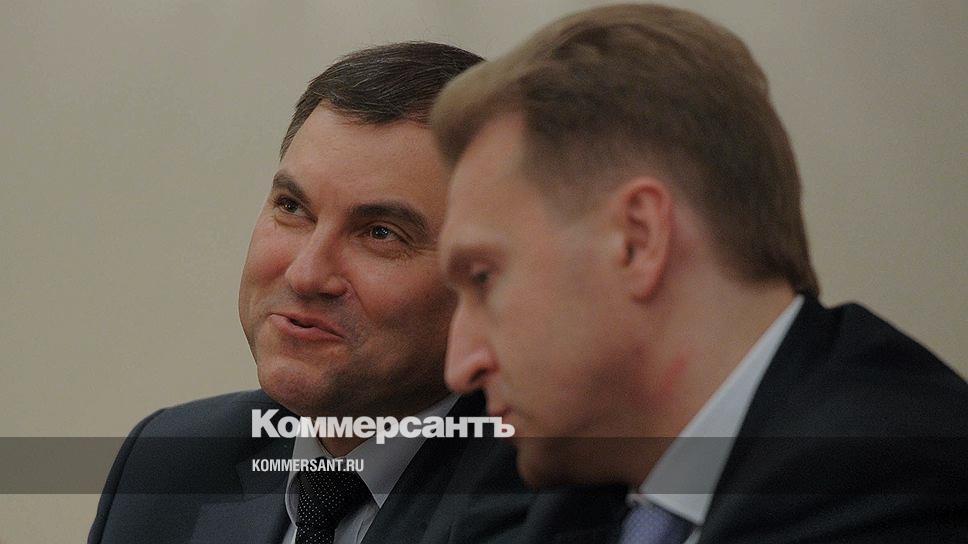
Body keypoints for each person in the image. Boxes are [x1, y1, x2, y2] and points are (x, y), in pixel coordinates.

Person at [432, 4, 968, 543]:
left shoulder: (901, 486)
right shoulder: (578, 497)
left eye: (483, 279)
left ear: (638, 240)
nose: (460, 367)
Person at [88, 41, 624, 544]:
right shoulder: (171, 461)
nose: (305, 274)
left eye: (380, 234)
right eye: (292, 208)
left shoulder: (555, 503)